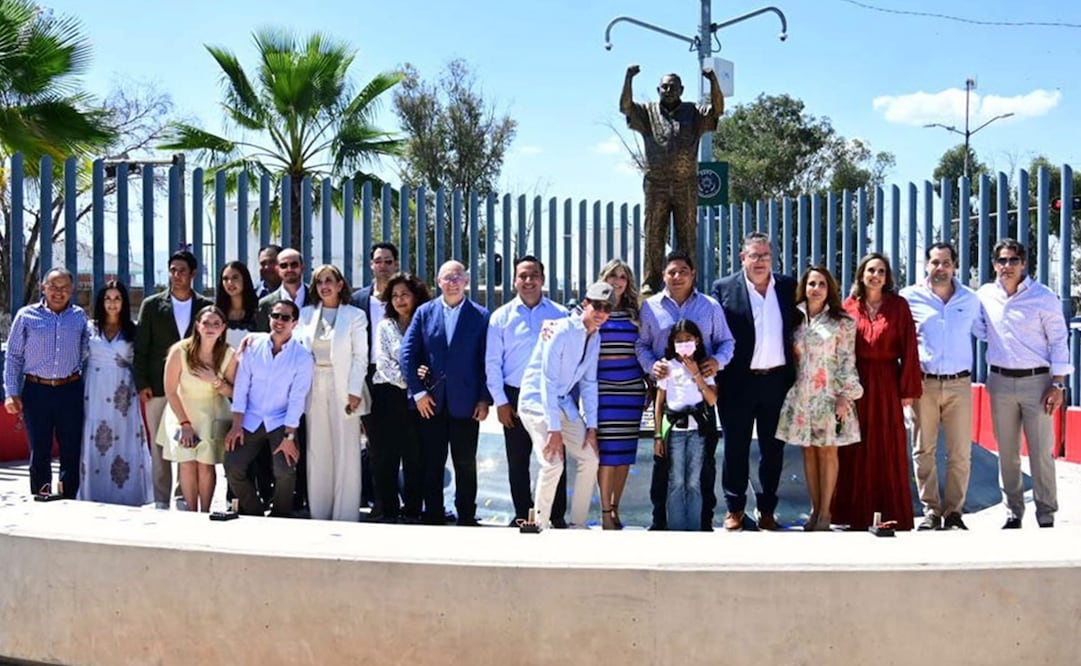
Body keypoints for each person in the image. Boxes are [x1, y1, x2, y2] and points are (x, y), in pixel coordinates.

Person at [974, 239, 1071, 529]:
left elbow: (1058, 340)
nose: (1007, 266)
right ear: (994, 265)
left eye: (1013, 260)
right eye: (1002, 261)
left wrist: (1058, 384)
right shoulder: (985, 295)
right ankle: (1013, 511)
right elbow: (979, 328)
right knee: (1006, 452)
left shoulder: (1043, 296)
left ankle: (1046, 513)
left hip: (1038, 383)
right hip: (1000, 381)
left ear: (1024, 263)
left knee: (1041, 452)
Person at [636, 250, 734, 530]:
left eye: (683, 271)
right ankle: (661, 520)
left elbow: (727, 342)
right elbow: (641, 344)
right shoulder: (650, 307)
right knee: (664, 468)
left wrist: (717, 361)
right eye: (671, 272)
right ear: (664, 275)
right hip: (668, 401)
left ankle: (703, 522)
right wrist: (652, 366)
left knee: (703, 469)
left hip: (702, 401)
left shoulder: (710, 306)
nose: (677, 276)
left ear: (693, 274)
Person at [711, 232, 798, 532]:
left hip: (776, 381)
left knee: (773, 450)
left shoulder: (787, 287)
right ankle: (734, 509)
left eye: (765, 255)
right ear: (742, 258)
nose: (760, 261)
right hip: (738, 382)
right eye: (754, 255)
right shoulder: (723, 288)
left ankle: (767, 511)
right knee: (735, 448)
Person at [833, 253, 922, 531]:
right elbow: (837, 351)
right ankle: (852, 513)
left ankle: (891, 512)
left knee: (887, 447)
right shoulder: (848, 307)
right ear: (861, 274)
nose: (876, 275)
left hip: (886, 383)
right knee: (854, 447)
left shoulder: (898, 306)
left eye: (881, 271)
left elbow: (909, 347)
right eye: (871, 270)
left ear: (887, 277)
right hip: (855, 382)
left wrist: (907, 388)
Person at [400, 261, 491, 526]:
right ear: (438, 282)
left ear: (467, 281)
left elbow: (488, 359)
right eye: (447, 278)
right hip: (431, 401)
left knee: (465, 463)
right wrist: (417, 394)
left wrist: (484, 398)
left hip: (467, 402)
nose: (452, 282)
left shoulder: (481, 316)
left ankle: (466, 514)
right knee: (432, 462)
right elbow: (408, 353)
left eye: (458, 277)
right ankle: (434, 513)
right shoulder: (424, 312)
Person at [517, 282, 614, 529]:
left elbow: (589, 383)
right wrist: (554, 429)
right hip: (536, 401)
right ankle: (539, 525)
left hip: (562, 402)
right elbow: (546, 380)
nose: (602, 312)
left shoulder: (596, 337)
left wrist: (592, 428)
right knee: (553, 462)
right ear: (585, 304)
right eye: (597, 306)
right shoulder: (561, 330)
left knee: (590, 457)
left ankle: (578, 525)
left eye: (607, 307)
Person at [620, 64, 724, 292]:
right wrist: (629, 78)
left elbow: (717, 109)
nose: (668, 90)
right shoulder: (648, 112)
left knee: (687, 234)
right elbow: (625, 106)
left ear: (681, 89)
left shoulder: (694, 112)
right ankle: (651, 280)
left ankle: (687, 280)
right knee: (654, 233)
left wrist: (712, 80)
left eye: (673, 86)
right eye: (664, 87)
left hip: (685, 184)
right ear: (658, 90)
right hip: (656, 183)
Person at [899, 243, 980, 531]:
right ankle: (931, 511)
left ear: (954, 266)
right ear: (926, 265)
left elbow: (987, 331)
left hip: (959, 383)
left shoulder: (970, 300)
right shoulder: (909, 298)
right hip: (924, 384)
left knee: (960, 452)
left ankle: (954, 512)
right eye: (935, 262)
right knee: (923, 450)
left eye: (946, 263)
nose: (940, 268)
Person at [776, 267, 863, 531]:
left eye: (821, 284)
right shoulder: (795, 319)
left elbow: (848, 360)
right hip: (802, 396)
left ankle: (826, 512)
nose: (816, 288)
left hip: (829, 394)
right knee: (809, 452)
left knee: (828, 452)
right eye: (811, 283)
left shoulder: (842, 322)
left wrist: (844, 395)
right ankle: (814, 509)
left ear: (830, 289)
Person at [485, 255, 569, 526]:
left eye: (534, 275)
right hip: (514, 395)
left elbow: (568, 358)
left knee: (555, 456)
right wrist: (500, 402)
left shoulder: (560, 315)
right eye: (522, 276)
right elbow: (493, 363)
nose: (528, 281)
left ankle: (555, 516)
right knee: (518, 459)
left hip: (551, 396)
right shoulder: (501, 317)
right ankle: (524, 514)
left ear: (543, 279)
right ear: (514, 281)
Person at [133, 250, 213, 509]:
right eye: (172, 270)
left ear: (193, 274)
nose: (176, 275)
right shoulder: (153, 305)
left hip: (192, 390)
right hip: (157, 387)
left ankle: (183, 496)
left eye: (181, 270)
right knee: (159, 445)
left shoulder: (205, 306)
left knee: (188, 443)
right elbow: (141, 347)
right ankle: (160, 499)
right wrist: (142, 383)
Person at [3, 267, 89, 498]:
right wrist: (11, 392)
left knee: (71, 447)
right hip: (36, 390)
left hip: (70, 390)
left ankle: (69, 494)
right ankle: (41, 494)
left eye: (64, 288)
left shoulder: (79, 317)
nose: (58, 292)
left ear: (71, 290)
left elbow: (87, 353)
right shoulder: (26, 316)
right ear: (43, 287)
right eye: (53, 286)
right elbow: (13, 356)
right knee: (40, 448)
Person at [224, 300, 314, 517]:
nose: (279, 322)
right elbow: (242, 387)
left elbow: (297, 399)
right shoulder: (253, 345)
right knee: (233, 466)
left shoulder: (302, 357)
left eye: (285, 318)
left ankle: (280, 516)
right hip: (250, 418)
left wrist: (290, 437)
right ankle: (254, 512)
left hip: (281, 420)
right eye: (275, 316)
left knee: (285, 470)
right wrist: (236, 425)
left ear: (295, 323)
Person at [295, 264, 369, 522]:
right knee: (318, 449)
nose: (324, 286)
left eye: (329, 281)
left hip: (344, 386)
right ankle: (320, 511)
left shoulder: (355, 316)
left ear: (340, 285)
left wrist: (353, 390)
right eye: (319, 282)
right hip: (314, 385)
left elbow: (361, 357)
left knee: (346, 449)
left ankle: (346, 513)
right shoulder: (305, 315)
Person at [78, 281, 153, 506]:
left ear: (124, 301)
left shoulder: (133, 330)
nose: (112, 303)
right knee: (94, 436)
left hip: (123, 391)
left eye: (117, 298)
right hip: (95, 387)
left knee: (124, 437)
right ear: (101, 302)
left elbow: (141, 361)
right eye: (107, 298)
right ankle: (94, 493)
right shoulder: (89, 328)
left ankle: (127, 496)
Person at [158, 305, 236, 512]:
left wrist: (216, 381)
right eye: (206, 323)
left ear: (223, 328)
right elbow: (171, 391)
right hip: (181, 411)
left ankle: (206, 511)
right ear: (197, 326)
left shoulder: (228, 354)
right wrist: (185, 424)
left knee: (205, 464)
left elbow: (235, 392)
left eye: (216, 324)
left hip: (211, 413)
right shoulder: (180, 351)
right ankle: (191, 511)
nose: (210, 327)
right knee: (187, 463)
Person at [371, 272, 430, 522]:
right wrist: (414, 383)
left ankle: (414, 508)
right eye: (394, 296)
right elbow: (384, 365)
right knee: (386, 456)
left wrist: (421, 383)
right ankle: (388, 510)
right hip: (388, 397)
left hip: (420, 401)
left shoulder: (427, 323)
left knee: (415, 455)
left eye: (405, 294)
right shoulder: (385, 326)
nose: (399, 300)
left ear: (416, 295)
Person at [594, 259, 646, 530]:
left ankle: (616, 508)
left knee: (625, 453)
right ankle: (604, 511)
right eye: (612, 275)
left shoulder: (636, 311)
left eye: (623, 276)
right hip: (604, 390)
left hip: (631, 391)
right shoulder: (594, 308)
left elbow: (646, 346)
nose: (617, 280)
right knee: (608, 453)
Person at [350, 241, 400, 519]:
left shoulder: (406, 295)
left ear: (395, 264)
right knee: (375, 444)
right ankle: (382, 504)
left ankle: (402, 504)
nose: (383, 266)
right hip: (367, 377)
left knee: (398, 443)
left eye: (388, 261)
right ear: (371, 265)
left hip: (399, 380)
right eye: (378, 261)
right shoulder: (358, 299)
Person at [653, 320, 718, 532]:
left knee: (694, 481)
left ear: (697, 340)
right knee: (676, 481)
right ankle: (676, 529)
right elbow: (659, 402)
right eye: (679, 341)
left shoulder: (705, 366)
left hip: (697, 431)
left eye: (688, 340)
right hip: (676, 431)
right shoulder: (668, 366)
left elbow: (711, 399)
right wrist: (657, 436)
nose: (684, 344)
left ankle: (696, 529)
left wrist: (696, 373)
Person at [256, 247, 307, 329]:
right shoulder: (265, 304)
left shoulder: (317, 297)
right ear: (278, 269)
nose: (289, 269)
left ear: (302, 267)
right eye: (284, 265)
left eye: (294, 264)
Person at [216, 261, 260, 349]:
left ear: (245, 279)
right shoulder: (217, 313)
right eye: (225, 279)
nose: (230, 282)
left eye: (235, 277)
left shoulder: (258, 310)